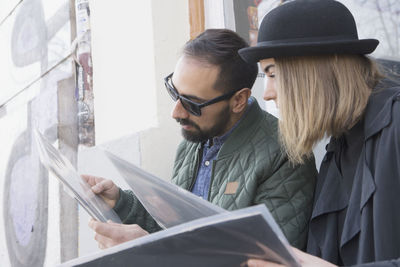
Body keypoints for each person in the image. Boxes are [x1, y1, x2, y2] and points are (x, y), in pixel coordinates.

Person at [86, 29, 317, 250]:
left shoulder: (286, 154)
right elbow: (173, 227)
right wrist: (121, 202)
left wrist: (150, 251)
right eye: (174, 93)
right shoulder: (195, 139)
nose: (176, 112)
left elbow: (268, 258)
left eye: (193, 103)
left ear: (238, 100)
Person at [239, 0, 400, 266]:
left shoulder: (395, 122)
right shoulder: (339, 147)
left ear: (314, 71)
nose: (267, 92)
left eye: (273, 73)